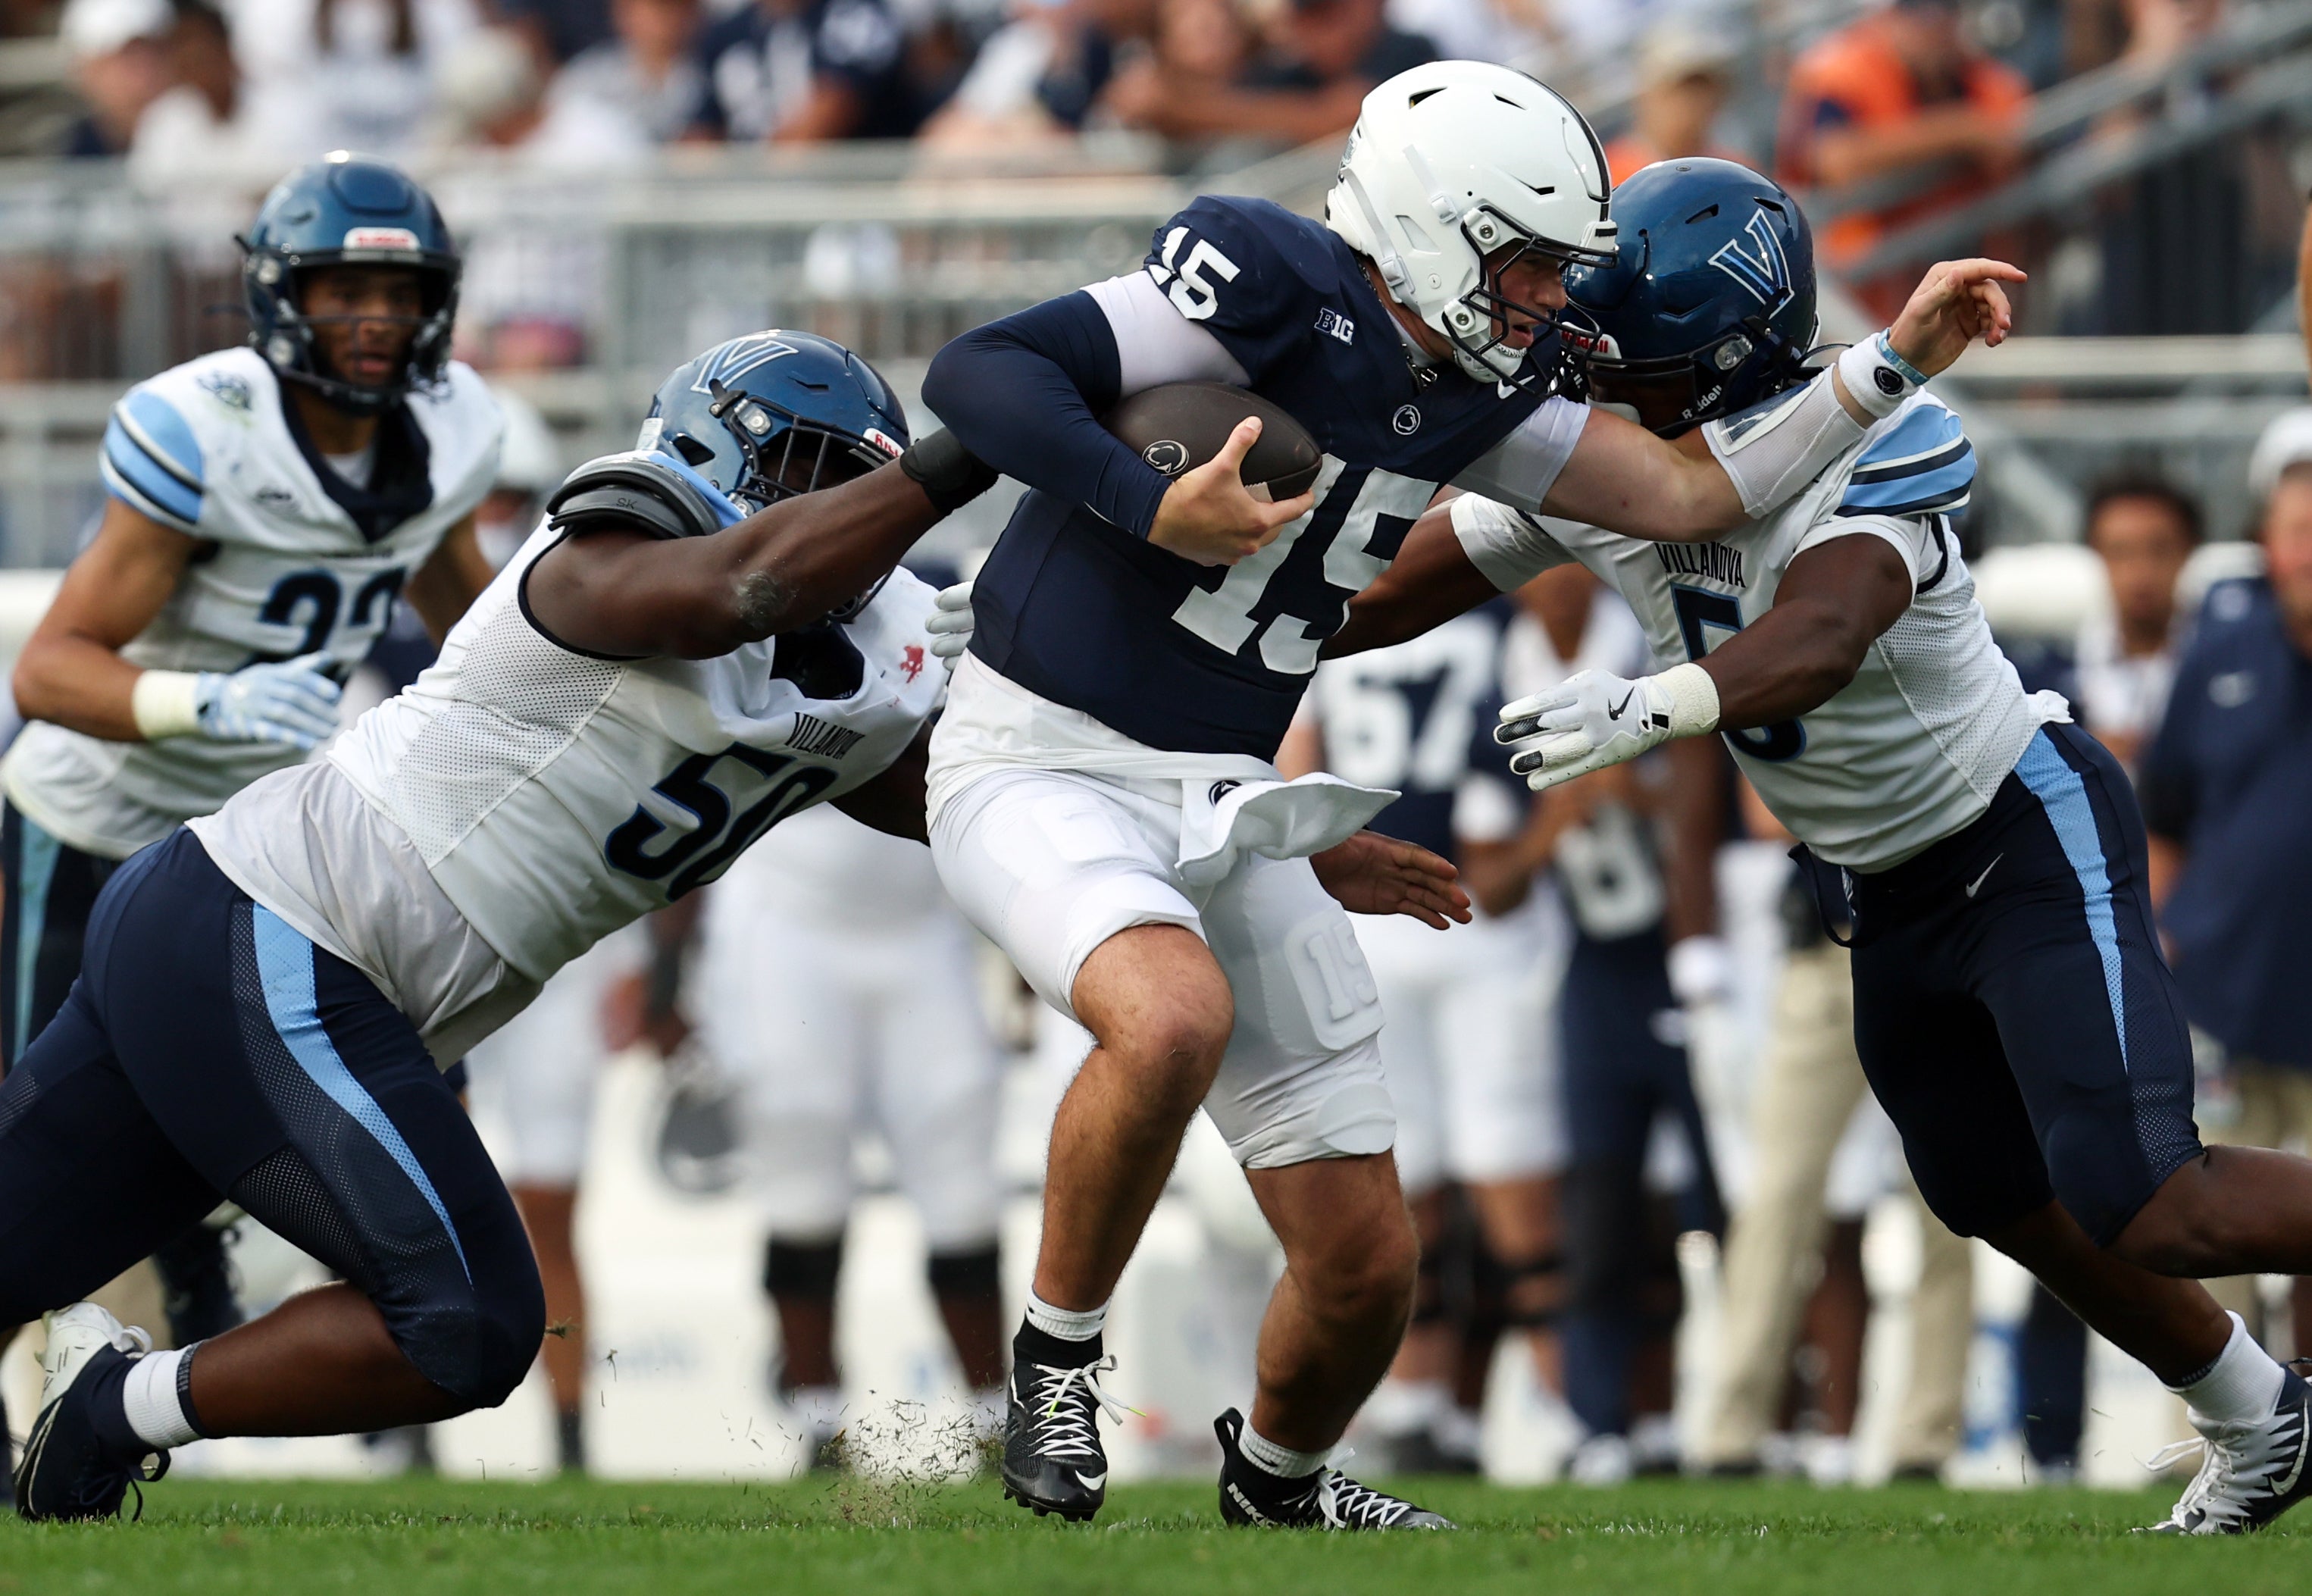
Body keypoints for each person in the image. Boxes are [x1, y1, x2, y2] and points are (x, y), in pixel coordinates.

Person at [916, 59, 2019, 1529]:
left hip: (1221, 787)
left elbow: (1697, 497)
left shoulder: (1474, 393)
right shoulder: (1256, 272)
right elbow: (981, 372)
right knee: (1171, 1016)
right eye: (1526, 268)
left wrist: (1889, 362)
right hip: (1038, 743)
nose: (1553, 307)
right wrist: (1143, 500)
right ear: (1435, 227)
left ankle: (1281, 1489)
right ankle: (1052, 1374)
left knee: (1369, 1259)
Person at [1337, 156, 2312, 1537]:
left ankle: (2256, 1407)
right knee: (1988, 1188)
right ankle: (2263, 1415)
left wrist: (1653, 704)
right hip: (1877, 883)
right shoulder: (1625, 460)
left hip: (2014, 832)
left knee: (2152, 1197)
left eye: (1622, 351)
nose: (1589, 373)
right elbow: (1384, 594)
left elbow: (1820, 634)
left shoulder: (1878, 432)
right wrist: (1229, 611)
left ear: (1718, 358)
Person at [0, 330, 965, 1520]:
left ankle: (97, 1410)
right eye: (820, 473)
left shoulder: (870, 658)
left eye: (864, 487)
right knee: (464, 1317)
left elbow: (965, 810)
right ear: (718, 447)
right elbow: (733, 591)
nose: (852, 515)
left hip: (264, 948)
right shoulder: (612, 548)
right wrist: (962, 456)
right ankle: (107, 1407)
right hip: (271, 930)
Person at [0, 155, 501, 1400]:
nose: (375, 318)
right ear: (283, 296)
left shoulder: (453, 430)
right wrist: (202, 700)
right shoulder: (205, 428)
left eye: (398, 291)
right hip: (93, 822)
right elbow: (48, 671)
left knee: (387, 1074)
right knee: (34, 1148)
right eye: (342, 289)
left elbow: (479, 630)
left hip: (257, 838)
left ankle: (200, 1259)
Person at [1278, 592, 1569, 1476]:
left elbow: (1291, 777)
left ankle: (1541, 1406)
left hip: (1416, 915)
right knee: (1435, 1180)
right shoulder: (1496, 615)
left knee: (1491, 1183)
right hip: (1453, 913)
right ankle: (1441, 1403)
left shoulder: (1321, 617)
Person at [1468, 563, 1724, 1485]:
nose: (1555, 584)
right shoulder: (1504, 679)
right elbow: (1487, 882)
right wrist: (1551, 829)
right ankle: (1599, 1420)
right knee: (1601, 1206)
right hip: (1590, 969)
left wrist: (1638, 798)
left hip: (1689, 956)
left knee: (1724, 1202)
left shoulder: (1651, 649)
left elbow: (1705, 799)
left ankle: (1760, 1421)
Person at [698, 800, 1009, 1469]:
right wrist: (668, 962)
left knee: (964, 1192)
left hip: (927, 920)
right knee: (802, 1184)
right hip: (784, 915)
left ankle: (995, 1423)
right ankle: (819, 1425)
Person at [2137, 427, 2312, 1364]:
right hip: (2224, 1007)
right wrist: (2167, 948)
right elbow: (2161, 816)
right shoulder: (2219, 654)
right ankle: (2236, 1441)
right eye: (2299, 528)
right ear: (2267, 540)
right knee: (2214, 1241)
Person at [1775, 0, 2028, 313]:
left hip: (1970, 274)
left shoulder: (1982, 78)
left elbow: (2014, 142)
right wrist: (1957, 131)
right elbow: (1836, 161)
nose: (1932, 25)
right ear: (1888, 16)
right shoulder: (1844, 69)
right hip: (1865, 287)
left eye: (1944, 12)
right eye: (1917, 12)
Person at [690, 0, 920, 142]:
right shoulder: (726, 34)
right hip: (749, 197)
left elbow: (822, 122)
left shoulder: (855, 13)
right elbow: (701, 135)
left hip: (845, 198)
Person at [1601, 22, 1746, 182]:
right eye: (1683, 89)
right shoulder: (1608, 178)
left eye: (1705, 87)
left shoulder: (1735, 171)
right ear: (1647, 96)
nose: (1697, 101)